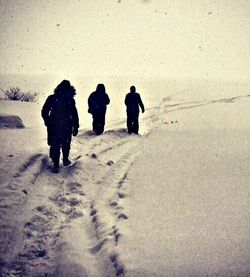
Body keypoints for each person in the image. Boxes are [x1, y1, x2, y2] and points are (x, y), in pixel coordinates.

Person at [41, 80, 79, 173]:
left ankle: (56, 165)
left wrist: (48, 121)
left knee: (55, 144)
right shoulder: (70, 99)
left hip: (54, 124)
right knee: (65, 143)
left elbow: (44, 111)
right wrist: (75, 126)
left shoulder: (53, 98)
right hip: (65, 125)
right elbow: (74, 114)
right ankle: (65, 160)